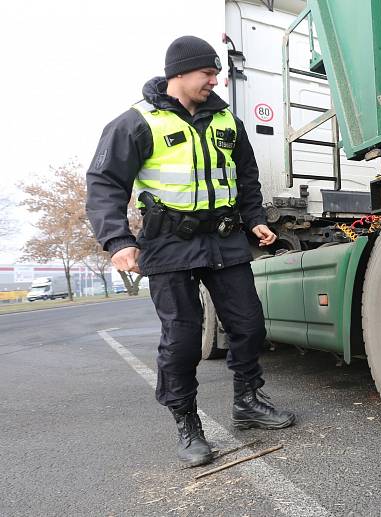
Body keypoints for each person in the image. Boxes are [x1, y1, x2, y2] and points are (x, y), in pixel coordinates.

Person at [86, 35, 295, 467]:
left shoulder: (226, 122)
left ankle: (248, 402)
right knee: (182, 341)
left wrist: (255, 218)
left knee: (250, 326)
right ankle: (187, 424)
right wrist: (118, 240)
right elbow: (105, 183)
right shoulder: (135, 122)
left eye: (216, 73)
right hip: (167, 244)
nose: (215, 80)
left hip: (224, 238)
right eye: (208, 73)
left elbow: (246, 176)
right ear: (178, 74)